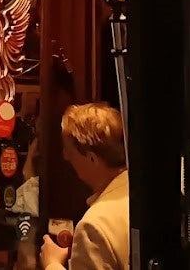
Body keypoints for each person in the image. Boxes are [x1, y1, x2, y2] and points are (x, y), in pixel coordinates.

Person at [40, 103, 129, 270]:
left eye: (69, 150)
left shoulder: (94, 226)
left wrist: (52, 263)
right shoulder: (140, 193)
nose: (65, 156)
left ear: (92, 159)